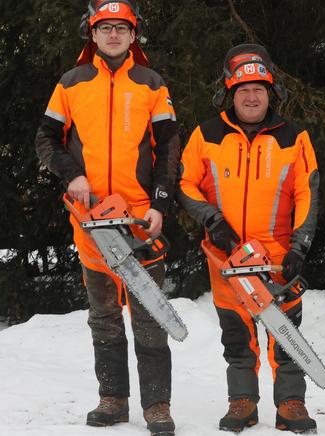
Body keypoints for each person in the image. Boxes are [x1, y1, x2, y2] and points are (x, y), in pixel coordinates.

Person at [34, 1, 179, 435]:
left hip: (139, 218)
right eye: (105, 28)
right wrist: (72, 174)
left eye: (121, 28)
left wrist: (160, 203)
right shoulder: (71, 83)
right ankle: (112, 398)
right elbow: (46, 138)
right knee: (103, 313)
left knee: (150, 314)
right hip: (90, 218)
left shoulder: (152, 83)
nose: (113, 34)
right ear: (92, 34)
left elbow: (170, 148)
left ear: (133, 36)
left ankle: (157, 405)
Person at [177, 43, 320, 434]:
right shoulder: (206, 135)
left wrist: (300, 246)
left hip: (277, 253)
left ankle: (291, 403)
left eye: (258, 89)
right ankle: (242, 402)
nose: (251, 97)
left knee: (286, 332)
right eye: (243, 90)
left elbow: (308, 191)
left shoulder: (294, 137)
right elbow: (185, 183)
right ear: (230, 93)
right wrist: (212, 220)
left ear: (271, 93)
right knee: (237, 335)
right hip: (227, 252)